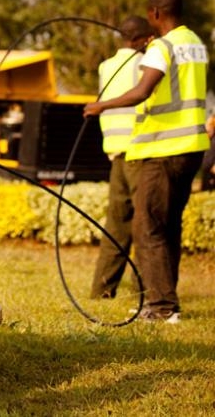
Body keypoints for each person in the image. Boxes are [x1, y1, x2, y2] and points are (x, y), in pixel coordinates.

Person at [84, 0, 209, 323]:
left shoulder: (161, 48)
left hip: (161, 151)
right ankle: (166, 301)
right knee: (167, 226)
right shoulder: (195, 43)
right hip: (191, 148)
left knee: (146, 227)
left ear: (155, 13)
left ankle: (161, 306)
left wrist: (101, 105)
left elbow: (142, 91)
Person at [89, 16, 154, 299]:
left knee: (116, 225)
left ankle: (102, 289)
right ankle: (149, 292)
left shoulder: (106, 66)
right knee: (145, 223)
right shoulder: (145, 64)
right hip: (139, 150)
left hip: (115, 151)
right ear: (142, 39)